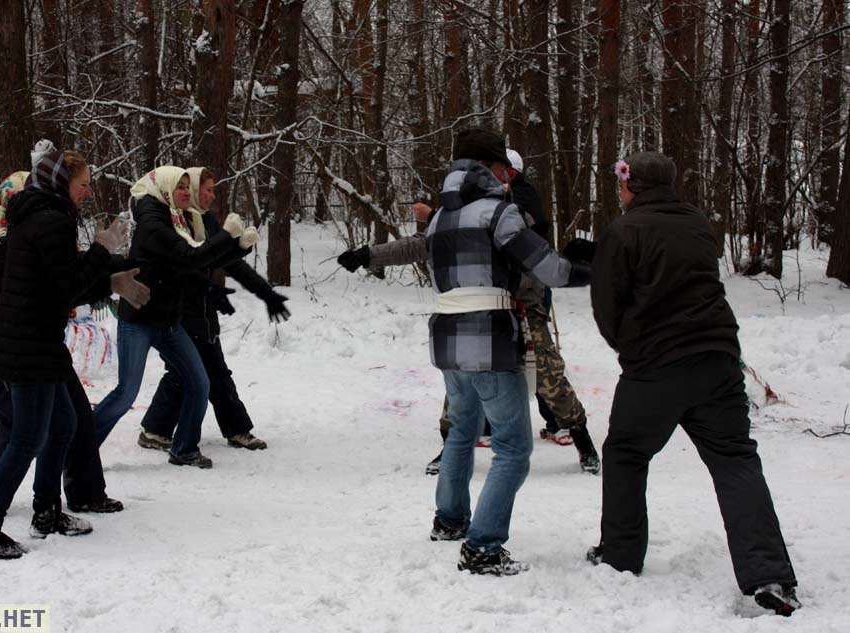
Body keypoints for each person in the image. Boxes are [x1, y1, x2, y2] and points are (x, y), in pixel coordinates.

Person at [586, 151, 800, 616]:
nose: (618, 191)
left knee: (626, 452)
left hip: (655, 368)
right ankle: (769, 576)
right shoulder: (700, 223)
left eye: (621, 183)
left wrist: (632, 347)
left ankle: (620, 555)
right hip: (718, 359)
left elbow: (606, 306)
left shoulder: (622, 232)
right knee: (735, 459)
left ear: (633, 187)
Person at [338, 149, 600, 476]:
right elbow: (419, 245)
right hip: (477, 308)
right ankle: (450, 446)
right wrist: (368, 255)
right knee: (463, 374)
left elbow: (538, 258)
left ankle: (583, 441)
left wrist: (584, 273)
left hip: (522, 304)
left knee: (547, 374)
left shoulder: (515, 207)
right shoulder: (452, 216)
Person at [424, 128, 589, 575]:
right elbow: (549, 269)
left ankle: (450, 520)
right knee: (513, 448)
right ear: (493, 168)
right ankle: (483, 547)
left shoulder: (439, 217)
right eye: (504, 167)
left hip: (446, 338)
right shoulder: (498, 212)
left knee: (461, 431)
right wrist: (595, 269)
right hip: (489, 339)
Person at [0, 150, 131, 559]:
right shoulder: (50, 221)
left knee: (63, 425)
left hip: (36, 339)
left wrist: (111, 280)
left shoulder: (42, 216)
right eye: (83, 185)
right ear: (60, 183)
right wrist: (103, 250)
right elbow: (69, 286)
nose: (88, 192)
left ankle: (47, 511)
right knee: (27, 438)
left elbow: (59, 285)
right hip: (28, 343)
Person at [93, 167, 256, 468]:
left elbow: (198, 258)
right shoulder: (154, 223)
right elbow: (190, 258)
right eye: (179, 187)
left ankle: (184, 448)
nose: (185, 192)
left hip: (169, 320)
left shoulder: (177, 218)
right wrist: (226, 237)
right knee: (126, 393)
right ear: (165, 189)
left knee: (199, 382)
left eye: (186, 186)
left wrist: (237, 246)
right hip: (140, 320)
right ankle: (79, 447)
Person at [137, 167, 288, 452]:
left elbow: (227, 261)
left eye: (212, 190)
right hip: (181, 308)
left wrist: (264, 291)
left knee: (197, 371)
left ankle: (157, 430)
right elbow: (186, 262)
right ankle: (234, 429)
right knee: (204, 370)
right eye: (205, 189)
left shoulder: (202, 218)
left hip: (202, 305)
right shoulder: (173, 220)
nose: (211, 196)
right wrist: (209, 287)